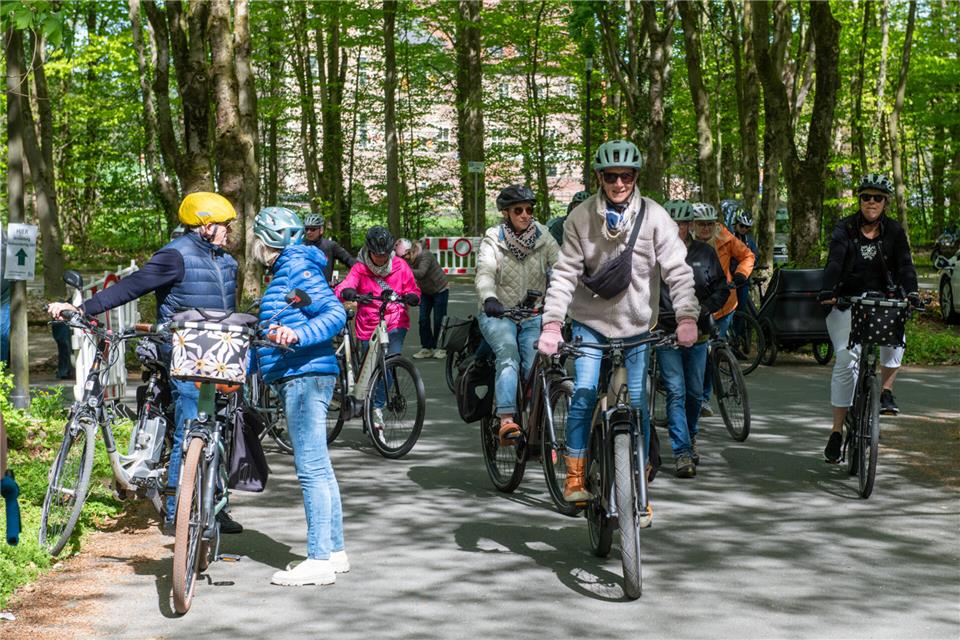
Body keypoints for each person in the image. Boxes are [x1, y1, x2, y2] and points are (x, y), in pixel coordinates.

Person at [47, 192, 242, 534]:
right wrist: (81, 309)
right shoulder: (175, 256)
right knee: (190, 427)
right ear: (205, 226)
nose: (229, 231)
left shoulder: (227, 262)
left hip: (221, 355)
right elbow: (131, 287)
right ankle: (178, 510)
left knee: (223, 426)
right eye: (224, 225)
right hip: (183, 353)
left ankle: (215, 502)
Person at [538, 140, 698, 519]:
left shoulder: (655, 216)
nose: (619, 183)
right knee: (585, 392)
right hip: (590, 323)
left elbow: (678, 270)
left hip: (637, 326)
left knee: (638, 404)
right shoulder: (580, 218)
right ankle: (574, 476)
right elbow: (564, 275)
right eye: (611, 176)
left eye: (626, 176)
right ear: (600, 178)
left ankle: (637, 483)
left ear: (636, 177)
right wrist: (552, 323)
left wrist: (687, 316)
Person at [249, 206, 350, 587]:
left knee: (310, 469)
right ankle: (334, 551)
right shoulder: (288, 270)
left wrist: (298, 335)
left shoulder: (296, 268)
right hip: (301, 374)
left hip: (304, 375)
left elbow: (335, 314)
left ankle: (318, 559)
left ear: (266, 241)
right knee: (320, 467)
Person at [819, 174, 919, 461]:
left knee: (896, 340)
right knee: (846, 359)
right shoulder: (845, 227)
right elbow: (835, 260)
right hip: (847, 302)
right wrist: (828, 289)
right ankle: (837, 431)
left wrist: (911, 292)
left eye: (877, 198)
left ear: (885, 202)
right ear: (859, 200)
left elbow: (905, 265)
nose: (871, 202)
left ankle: (885, 390)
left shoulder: (894, 231)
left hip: (885, 301)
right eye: (866, 197)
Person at [475, 184, 559, 447]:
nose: (525, 215)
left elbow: (562, 267)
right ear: (506, 213)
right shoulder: (493, 238)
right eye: (518, 210)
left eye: (529, 210)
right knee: (509, 353)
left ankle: (535, 415)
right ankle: (506, 420)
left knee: (536, 362)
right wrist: (489, 297)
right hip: (499, 313)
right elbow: (485, 272)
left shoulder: (544, 236)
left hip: (532, 313)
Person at [659, 201, 729, 477]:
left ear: (690, 225)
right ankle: (682, 451)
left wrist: (705, 309)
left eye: (683, 223)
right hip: (665, 333)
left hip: (698, 334)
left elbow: (722, 289)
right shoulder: (654, 253)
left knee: (694, 392)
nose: (678, 228)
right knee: (675, 390)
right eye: (673, 223)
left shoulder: (704, 252)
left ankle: (691, 435)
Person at [335, 227, 420, 430]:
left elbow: (413, 288)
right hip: (368, 324)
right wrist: (347, 292)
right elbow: (345, 286)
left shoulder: (400, 266)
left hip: (395, 321)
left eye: (385, 254)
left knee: (388, 365)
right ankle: (363, 397)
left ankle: (376, 407)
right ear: (369, 251)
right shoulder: (360, 268)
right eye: (376, 254)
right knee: (370, 370)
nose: (381, 258)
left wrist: (412, 296)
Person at [692, 202, 755, 416]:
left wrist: (741, 275)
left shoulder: (725, 238)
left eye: (709, 224)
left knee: (714, 352)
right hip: (696, 307)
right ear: (692, 225)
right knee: (700, 354)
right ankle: (697, 397)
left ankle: (704, 398)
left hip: (724, 303)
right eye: (701, 224)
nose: (706, 228)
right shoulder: (684, 243)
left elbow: (748, 256)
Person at [395, 238, 449, 360]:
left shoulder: (425, 255)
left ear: (410, 251)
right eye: (401, 257)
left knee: (439, 320)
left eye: (404, 256)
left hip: (440, 289)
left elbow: (421, 273)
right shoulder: (408, 260)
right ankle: (427, 348)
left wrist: (404, 269)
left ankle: (441, 347)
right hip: (425, 291)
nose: (404, 259)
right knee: (423, 319)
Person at [302, 212, 356, 283]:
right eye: (306, 229)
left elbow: (350, 261)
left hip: (324, 287)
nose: (308, 232)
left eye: (312, 229)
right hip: (303, 287)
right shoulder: (301, 246)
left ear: (321, 230)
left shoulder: (331, 246)